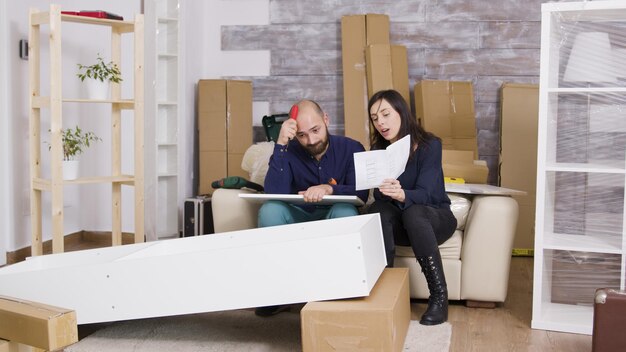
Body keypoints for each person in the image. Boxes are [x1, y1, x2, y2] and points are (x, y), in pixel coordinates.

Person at [255, 99, 369, 317]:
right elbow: (273, 192)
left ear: (326, 119)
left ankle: (335, 290)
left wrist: (330, 189)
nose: (311, 140)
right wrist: (280, 145)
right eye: (302, 135)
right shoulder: (287, 151)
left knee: (346, 213)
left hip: (332, 214)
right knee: (270, 210)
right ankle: (277, 292)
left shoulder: (352, 148)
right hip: (298, 217)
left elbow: (361, 193)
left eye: (315, 130)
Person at [366, 89, 457, 326]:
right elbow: (378, 194)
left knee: (414, 211)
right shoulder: (379, 151)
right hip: (402, 224)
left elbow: (426, 193)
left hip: (434, 218)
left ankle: (439, 296)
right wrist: (386, 189)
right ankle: (384, 293)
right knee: (377, 209)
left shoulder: (430, 145)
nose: (381, 123)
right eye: (375, 118)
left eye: (386, 114)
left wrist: (403, 192)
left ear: (401, 112)